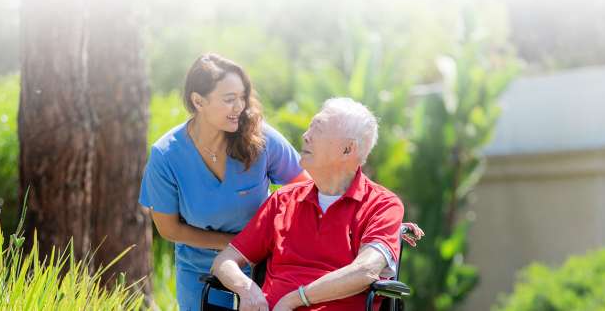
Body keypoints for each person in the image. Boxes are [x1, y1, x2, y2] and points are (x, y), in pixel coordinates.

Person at [210, 97, 421, 310]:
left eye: (317, 129)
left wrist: (294, 300)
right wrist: (248, 290)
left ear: (348, 149)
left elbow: (365, 270)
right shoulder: (283, 200)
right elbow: (224, 261)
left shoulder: (382, 205)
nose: (305, 136)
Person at [139, 53, 310, 310]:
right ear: (198, 101)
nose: (240, 107)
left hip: (261, 266)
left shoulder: (260, 138)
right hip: (200, 271)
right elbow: (169, 229)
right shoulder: (166, 155)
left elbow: (304, 187)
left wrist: (276, 236)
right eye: (229, 99)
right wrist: (235, 245)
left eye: (242, 97)